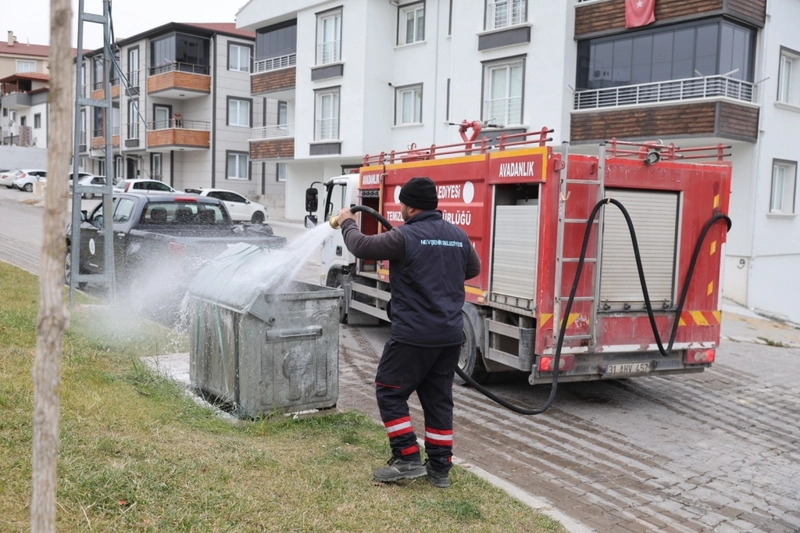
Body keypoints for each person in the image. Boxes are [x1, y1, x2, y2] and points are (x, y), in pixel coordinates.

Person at [336, 176, 481, 488]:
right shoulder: (457, 235)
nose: (400, 208)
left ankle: (407, 458)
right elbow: (473, 269)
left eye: (402, 203)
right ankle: (440, 469)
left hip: (414, 335)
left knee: (389, 390)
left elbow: (360, 246)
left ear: (411, 207)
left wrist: (347, 221)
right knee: (438, 400)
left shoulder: (405, 237)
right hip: (449, 336)